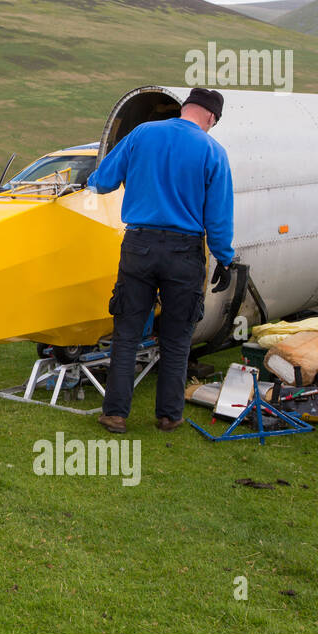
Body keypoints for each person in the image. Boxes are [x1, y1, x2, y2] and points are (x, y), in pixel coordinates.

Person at [86, 88, 234, 432]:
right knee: (177, 336)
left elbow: (104, 181)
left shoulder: (143, 133)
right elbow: (219, 217)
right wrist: (225, 259)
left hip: (139, 245)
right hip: (184, 253)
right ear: (211, 117)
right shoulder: (213, 151)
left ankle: (115, 413)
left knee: (127, 332)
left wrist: (91, 183)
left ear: (186, 108)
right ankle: (168, 415)